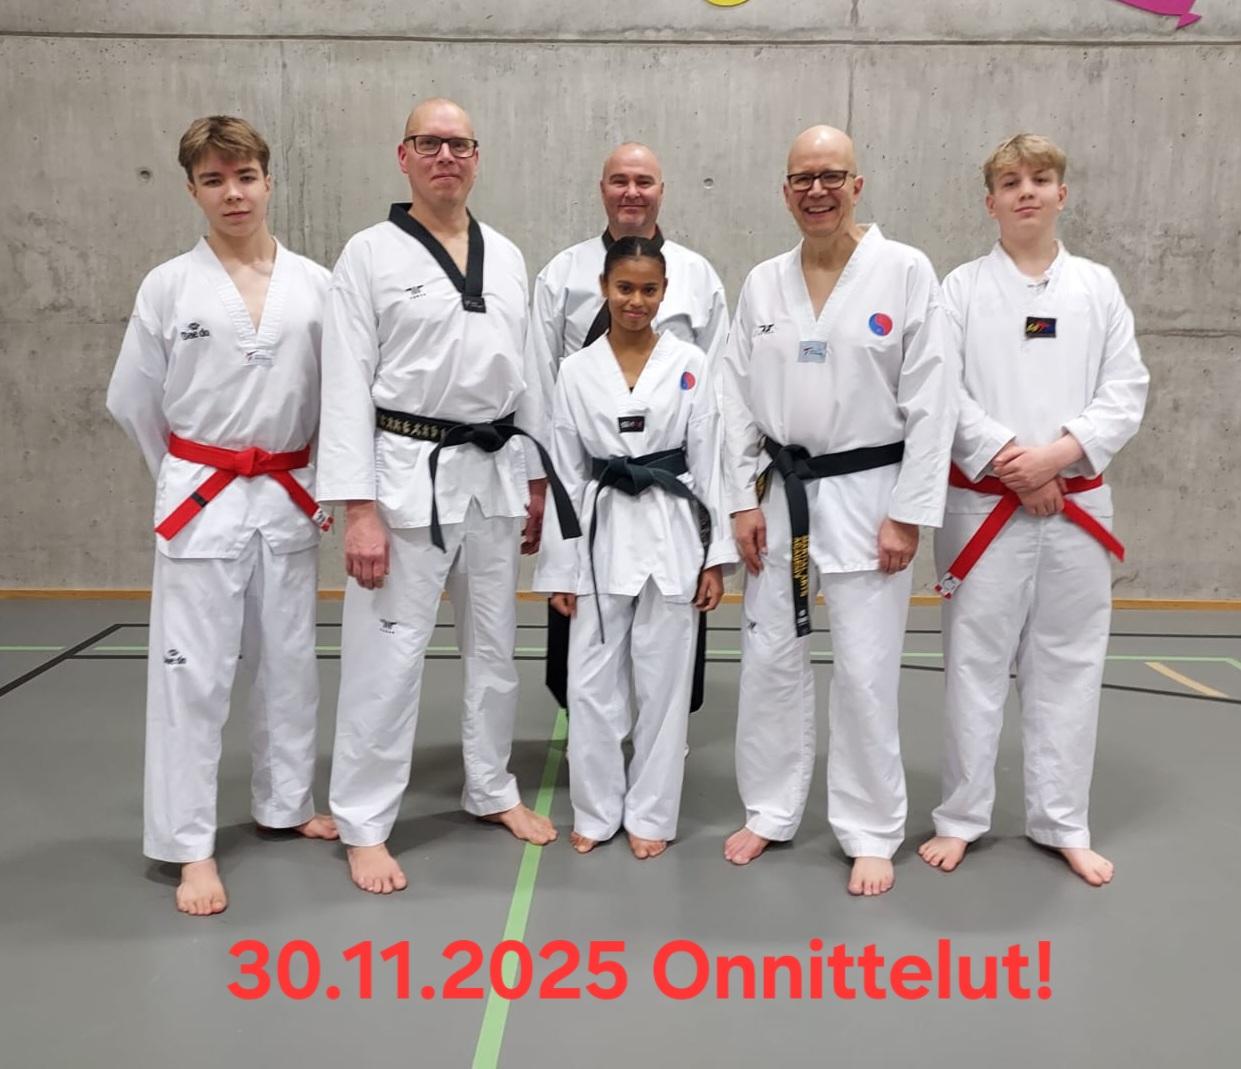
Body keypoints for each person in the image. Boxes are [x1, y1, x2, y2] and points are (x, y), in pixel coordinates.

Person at [318, 98, 577, 895]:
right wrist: (358, 508)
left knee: (494, 648)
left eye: (459, 144)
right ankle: (364, 821)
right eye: (429, 143)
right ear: (403, 156)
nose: (445, 156)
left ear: (476, 156)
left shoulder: (506, 254)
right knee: (388, 655)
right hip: (406, 475)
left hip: (492, 473)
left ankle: (490, 785)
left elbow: (527, 373)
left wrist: (533, 476)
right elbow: (344, 384)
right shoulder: (366, 254)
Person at [107, 115, 337, 916]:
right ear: (192, 190)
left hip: (286, 492)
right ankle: (189, 846)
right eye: (213, 180)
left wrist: (314, 477)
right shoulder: (169, 285)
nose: (232, 193)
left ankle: (285, 802)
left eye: (244, 177)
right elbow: (134, 400)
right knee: (192, 677)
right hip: (201, 499)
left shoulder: (316, 284)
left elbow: (335, 398)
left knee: (290, 662)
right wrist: (184, 474)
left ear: (268, 181)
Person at [720, 125, 955, 895]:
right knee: (769, 658)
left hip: (869, 492)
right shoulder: (762, 282)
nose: (815, 190)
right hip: (781, 495)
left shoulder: (904, 271)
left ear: (857, 184)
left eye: (830, 175)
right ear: (784, 190)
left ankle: (870, 827)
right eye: (801, 178)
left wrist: (908, 513)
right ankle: (769, 807)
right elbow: (733, 400)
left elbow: (932, 400)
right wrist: (739, 500)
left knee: (863, 668)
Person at [918, 134, 1148, 887]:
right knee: (973, 665)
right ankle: (960, 816)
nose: (1026, 192)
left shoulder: (1097, 287)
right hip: (984, 505)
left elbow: (1126, 390)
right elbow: (941, 391)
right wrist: (1011, 461)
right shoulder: (959, 289)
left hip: (1075, 504)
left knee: (1069, 663)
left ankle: (1062, 822)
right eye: (1011, 182)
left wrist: (1058, 456)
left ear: (1062, 194)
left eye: (1040, 179)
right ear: (990, 202)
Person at [533, 237, 734, 859]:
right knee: (590, 683)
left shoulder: (690, 362)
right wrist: (558, 567)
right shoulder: (575, 370)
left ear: (665, 292)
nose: (636, 301)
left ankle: (651, 812)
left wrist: (715, 557)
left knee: (664, 684)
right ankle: (596, 809)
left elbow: (710, 460)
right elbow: (565, 471)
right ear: (604, 289)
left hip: (674, 530)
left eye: (649, 290)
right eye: (625, 288)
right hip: (600, 532)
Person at [529, 143, 728, 711]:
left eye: (644, 181)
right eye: (620, 180)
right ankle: (591, 736)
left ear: (661, 190)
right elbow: (541, 383)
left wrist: (718, 535)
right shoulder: (562, 273)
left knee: (670, 659)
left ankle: (663, 741)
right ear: (602, 189)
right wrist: (538, 484)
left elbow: (718, 394)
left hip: (672, 493)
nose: (632, 192)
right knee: (586, 658)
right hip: (595, 486)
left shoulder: (697, 275)